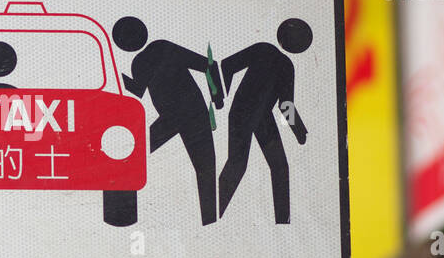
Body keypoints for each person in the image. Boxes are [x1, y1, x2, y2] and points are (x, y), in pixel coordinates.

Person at [113, 15, 224, 225]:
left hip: (187, 113)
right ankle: (210, 223)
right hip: (180, 115)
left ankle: (210, 223)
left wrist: (217, 97)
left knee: (205, 168)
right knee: (205, 168)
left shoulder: (155, 51)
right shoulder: (148, 56)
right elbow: (209, 65)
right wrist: (217, 97)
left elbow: (208, 64)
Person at [217, 18, 311, 224]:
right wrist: (221, 97)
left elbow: (285, 104)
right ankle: (214, 214)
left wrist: (299, 132)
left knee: (280, 167)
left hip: (261, 117)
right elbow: (227, 65)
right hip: (243, 113)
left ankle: (283, 222)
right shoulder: (273, 56)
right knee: (238, 164)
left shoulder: (277, 58)